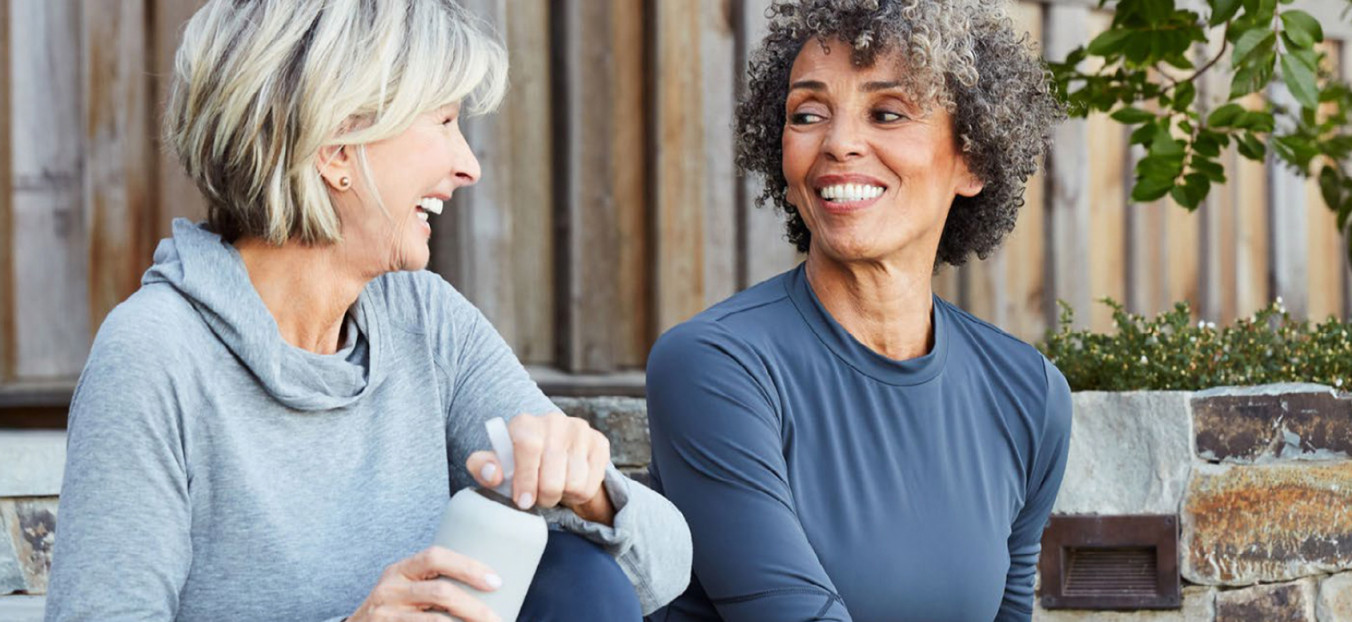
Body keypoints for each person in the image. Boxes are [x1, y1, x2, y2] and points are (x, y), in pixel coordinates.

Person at [44, 1, 690, 620]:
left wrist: (594, 494)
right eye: (442, 121)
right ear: (335, 147)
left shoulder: (423, 320)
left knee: (576, 572)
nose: (468, 167)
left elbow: (664, 571)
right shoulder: (156, 353)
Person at [644, 0, 1071, 620]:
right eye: (809, 113)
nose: (839, 143)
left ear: (973, 158)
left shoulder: (1028, 394)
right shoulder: (715, 368)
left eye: (887, 113)